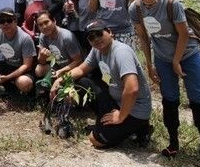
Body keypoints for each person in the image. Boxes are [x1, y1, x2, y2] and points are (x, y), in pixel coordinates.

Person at [129, 0, 200, 167]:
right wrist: (150, 65)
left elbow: (185, 34)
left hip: (188, 54)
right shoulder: (135, 8)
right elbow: (143, 38)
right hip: (162, 57)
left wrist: (177, 61)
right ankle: (173, 142)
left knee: (198, 99)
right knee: (170, 99)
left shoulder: (171, 3)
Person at [51, 20, 152, 149]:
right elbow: (81, 69)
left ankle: (139, 128)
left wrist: (121, 116)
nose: (96, 39)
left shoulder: (121, 52)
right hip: (115, 100)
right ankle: (127, 127)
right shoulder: (97, 50)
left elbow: (132, 89)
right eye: (91, 37)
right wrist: (60, 80)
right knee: (82, 82)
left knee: (95, 140)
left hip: (134, 110)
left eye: (99, 34)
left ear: (110, 32)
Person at [0, 8, 36, 93]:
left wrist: (8, 77)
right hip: (7, 64)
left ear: (15, 21)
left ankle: (14, 86)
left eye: (9, 20)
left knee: (24, 83)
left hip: (21, 68)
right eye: (2, 21)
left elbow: (27, 65)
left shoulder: (25, 38)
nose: (5, 24)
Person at [34, 10, 83, 84]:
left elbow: (78, 61)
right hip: (57, 66)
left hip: (71, 68)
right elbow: (41, 62)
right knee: (39, 70)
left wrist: (61, 71)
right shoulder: (43, 36)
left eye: (46, 22)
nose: (44, 27)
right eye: (40, 25)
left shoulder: (67, 37)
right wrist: (42, 56)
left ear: (54, 21)